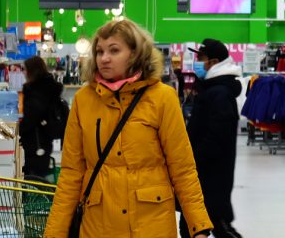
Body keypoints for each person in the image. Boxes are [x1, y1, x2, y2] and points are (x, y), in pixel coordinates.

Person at [44, 19, 213, 238]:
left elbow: (182, 168)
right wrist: (54, 233)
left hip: (152, 226)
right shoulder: (83, 100)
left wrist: (199, 226)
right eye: (99, 51)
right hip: (99, 226)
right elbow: (71, 173)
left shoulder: (162, 98)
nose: (104, 58)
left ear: (135, 54)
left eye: (114, 50)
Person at [181, 39, 244, 238]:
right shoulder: (213, 89)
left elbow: (217, 139)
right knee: (194, 226)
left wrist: (193, 158)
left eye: (201, 58)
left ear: (214, 62)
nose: (197, 62)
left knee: (217, 226)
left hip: (210, 176)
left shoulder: (219, 94)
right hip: (203, 175)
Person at [20, 55, 66, 180]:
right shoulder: (49, 87)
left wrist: (18, 131)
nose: (23, 73)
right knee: (40, 174)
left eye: (25, 69)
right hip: (45, 139)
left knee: (32, 176)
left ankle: (36, 191)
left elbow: (31, 117)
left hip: (34, 142)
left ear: (32, 71)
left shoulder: (35, 90)